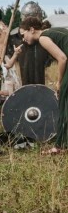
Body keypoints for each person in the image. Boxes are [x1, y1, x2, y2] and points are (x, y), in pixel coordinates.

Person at [19, 17, 68, 155]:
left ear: (32, 29)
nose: (23, 39)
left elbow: (62, 58)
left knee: (64, 103)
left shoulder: (43, 38)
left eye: (24, 34)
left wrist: (59, 81)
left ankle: (60, 146)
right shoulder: (51, 31)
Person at [7, 2, 51, 85]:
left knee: (39, 84)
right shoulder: (16, 36)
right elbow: (9, 59)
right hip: (24, 69)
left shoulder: (43, 35)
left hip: (40, 71)